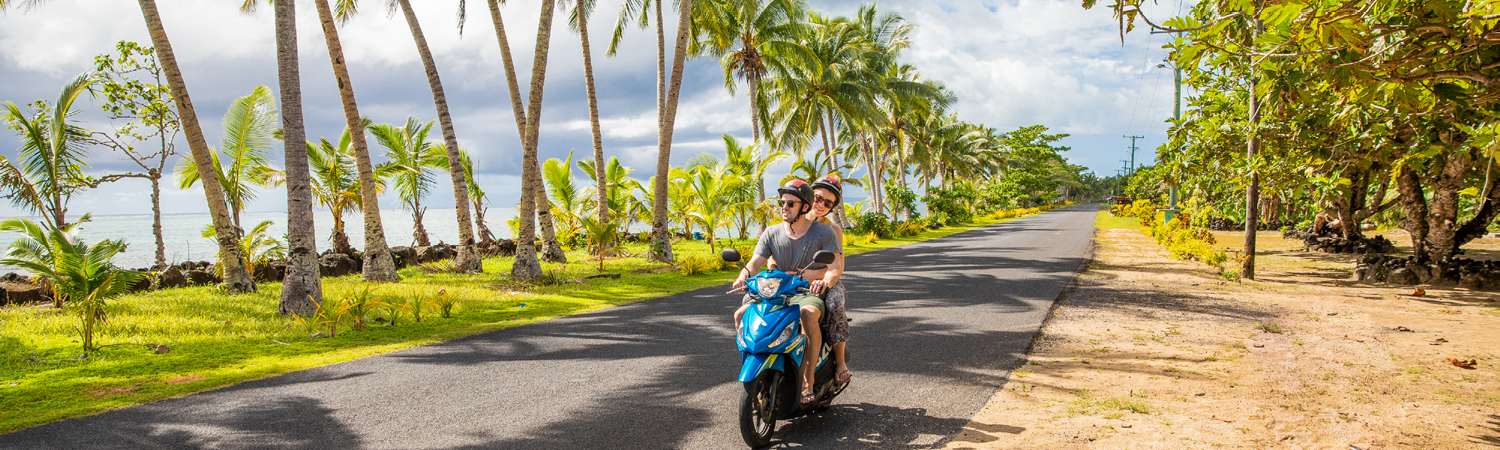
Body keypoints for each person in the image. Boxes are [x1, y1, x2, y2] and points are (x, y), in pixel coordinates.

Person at [732, 179, 843, 405]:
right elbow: (755, 262)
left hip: (805, 290)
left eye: (790, 203)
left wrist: (825, 281)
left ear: (804, 207)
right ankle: (755, 371)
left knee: (808, 314)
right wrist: (743, 276)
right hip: (777, 290)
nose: (784, 207)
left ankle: (807, 382)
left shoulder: (825, 232)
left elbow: (834, 268)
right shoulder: (771, 233)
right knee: (740, 314)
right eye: (782, 202)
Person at [808, 175, 852, 384]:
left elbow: (837, 266)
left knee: (834, 303)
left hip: (825, 281)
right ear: (809, 196)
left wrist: (819, 277)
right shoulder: (791, 222)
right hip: (792, 281)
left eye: (828, 203)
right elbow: (772, 257)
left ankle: (840, 361)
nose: (821, 205)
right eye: (818, 198)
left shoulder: (833, 229)